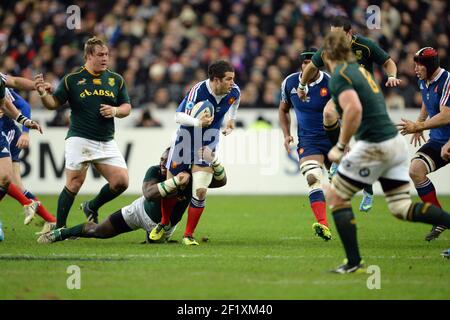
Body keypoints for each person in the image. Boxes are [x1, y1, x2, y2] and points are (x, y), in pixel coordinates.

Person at [322, 31, 450, 274]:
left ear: (328, 54)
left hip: (375, 146)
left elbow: (353, 110)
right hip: (393, 143)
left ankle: (353, 263)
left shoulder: (340, 76)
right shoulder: (359, 71)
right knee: (401, 207)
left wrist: (340, 146)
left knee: (337, 197)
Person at [298, 15, 402, 213]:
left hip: (365, 97)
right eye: (331, 34)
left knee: (367, 146)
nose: (333, 38)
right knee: (328, 114)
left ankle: (369, 189)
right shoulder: (330, 47)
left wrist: (392, 76)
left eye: (337, 34)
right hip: (343, 93)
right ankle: (340, 156)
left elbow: (388, 62)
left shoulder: (366, 45)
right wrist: (302, 85)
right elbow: (312, 66)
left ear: (349, 33)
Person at [34, 37, 132, 229]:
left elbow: (127, 106)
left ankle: (91, 206)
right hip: (80, 137)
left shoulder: (115, 79)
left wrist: (115, 111)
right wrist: (43, 94)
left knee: (121, 182)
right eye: (100, 55)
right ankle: (59, 228)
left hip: (105, 140)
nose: (105, 58)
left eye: (107, 55)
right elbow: (53, 104)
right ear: (88, 56)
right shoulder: (72, 80)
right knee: (74, 183)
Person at [37, 147, 227, 244]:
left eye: (166, 161)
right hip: (138, 211)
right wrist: (175, 182)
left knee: (154, 243)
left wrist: (215, 162)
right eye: (161, 160)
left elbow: (220, 182)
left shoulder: (192, 177)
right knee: (99, 232)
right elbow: (149, 194)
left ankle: (153, 236)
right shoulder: (155, 171)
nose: (162, 164)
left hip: (165, 227)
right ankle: (60, 233)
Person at [149, 60, 239, 246]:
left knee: (200, 190)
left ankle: (188, 235)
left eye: (233, 79)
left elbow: (235, 102)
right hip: (185, 140)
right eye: (228, 79)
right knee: (172, 188)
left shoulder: (234, 91)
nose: (232, 83)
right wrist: (198, 122)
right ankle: (164, 223)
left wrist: (231, 119)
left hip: (207, 143)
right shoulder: (198, 91)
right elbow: (177, 116)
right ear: (216, 80)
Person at [278, 48, 333, 241]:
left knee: (342, 186)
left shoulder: (331, 81)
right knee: (312, 177)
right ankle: (323, 225)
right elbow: (283, 109)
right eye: (304, 63)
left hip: (333, 139)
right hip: (308, 141)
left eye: (312, 62)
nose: (308, 66)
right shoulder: (290, 83)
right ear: (301, 65)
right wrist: (286, 134)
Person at [397, 47, 450, 241]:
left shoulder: (447, 81)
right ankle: (440, 218)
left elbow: (447, 115)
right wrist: (420, 124)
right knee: (415, 170)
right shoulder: (423, 80)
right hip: (439, 140)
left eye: (419, 65)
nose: (415, 68)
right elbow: (426, 104)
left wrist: (419, 125)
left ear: (429, 65)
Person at [0, 73, 56, 232]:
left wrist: (25, 130)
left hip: (6, 133)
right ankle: (51, 220)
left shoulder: (1, 82)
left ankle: (47, 217)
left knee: (7, 180)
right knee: (15, 184)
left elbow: (19, 101)